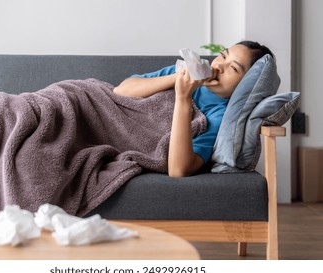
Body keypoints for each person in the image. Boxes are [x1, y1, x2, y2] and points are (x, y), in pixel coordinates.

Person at [113, 41, 274, 177]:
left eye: (233, 68)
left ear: (245, 84)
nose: (219, 66)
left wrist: (183, 98)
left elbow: (178, 170)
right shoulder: (182, 73)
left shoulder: (219, 117)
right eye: (223, 56)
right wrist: (178, 77)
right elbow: (120, 91)